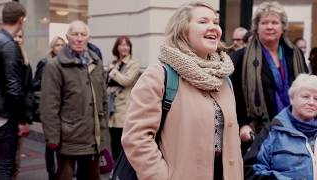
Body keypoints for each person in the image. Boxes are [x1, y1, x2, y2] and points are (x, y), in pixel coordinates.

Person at [121, 1, 243, 180]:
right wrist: (162, 177)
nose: (213, 27)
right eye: (203, 22)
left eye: (215, 22)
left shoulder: (223, 77)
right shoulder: (159, 75)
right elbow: (136, 138)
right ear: (182, 30)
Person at [230, 1, 307, 154]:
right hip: (257, 135)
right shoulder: (241, 57)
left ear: (283, 27)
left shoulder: (295, 55)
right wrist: (242, 124)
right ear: (256, 28)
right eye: (264, 22)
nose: (270, 26)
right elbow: (233, 97)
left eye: (275, 22)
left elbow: (307, 89)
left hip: (296, 131)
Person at [40, 20, 109, 180]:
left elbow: (103, 100)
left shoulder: (96, 63)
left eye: (83, 34)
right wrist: (52, 138)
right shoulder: (54, 66)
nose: (79, 38)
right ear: (67, 37)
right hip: (67, 139)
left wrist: (104, 132)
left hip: (94, 138)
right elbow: (49, 106)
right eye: (75, 34)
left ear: (88, 38)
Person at [244, 74, 317, 180]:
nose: (311, 102)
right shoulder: (272, 131)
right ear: (292, 99)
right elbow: (251, 169)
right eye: (305, 96)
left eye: (316, 98)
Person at [0, 2, 30, 179]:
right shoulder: (9, 46)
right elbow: (13, 88)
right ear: (20, 20)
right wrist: (21, 120)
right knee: (5, 167)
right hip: (4, 117)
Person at [33, 36, 65, 180]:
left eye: (62, 45)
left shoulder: (66, 63)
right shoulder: (45, 62)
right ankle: (51, 172)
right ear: (52, 47)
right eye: (57, 45)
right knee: (50, 143)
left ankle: (62, 171)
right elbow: (35, 84)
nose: (60, 47)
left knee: (62, 142)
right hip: (50, 107)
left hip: (63, 109)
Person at [107, 36, 140, 160]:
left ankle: (123, 172)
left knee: (124, 142)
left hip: (125, 108)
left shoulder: (134, 63)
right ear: (117, 48)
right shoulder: (115, 63)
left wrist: (112, 71)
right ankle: (115, 171)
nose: (125, 47)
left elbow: (127, 81)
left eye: (127, 45)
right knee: (114, 142)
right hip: (112, 109)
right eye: (121, 45)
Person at [13, 29, 34, 179]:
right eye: (15, 35)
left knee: (14, 161)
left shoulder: (26, 64)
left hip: (16, 118)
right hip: (0, 119)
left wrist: (24, 119)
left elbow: (28, 92)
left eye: (20, 36)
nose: (17, 39)